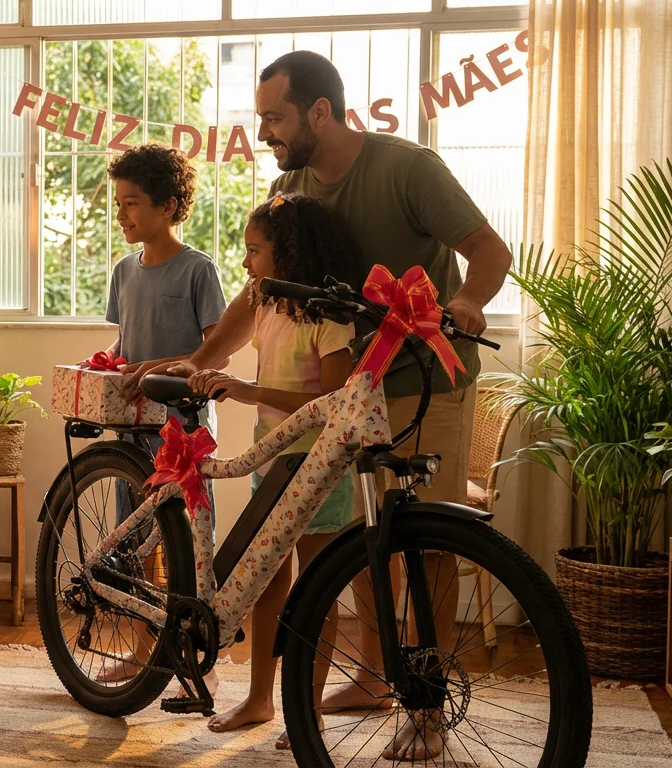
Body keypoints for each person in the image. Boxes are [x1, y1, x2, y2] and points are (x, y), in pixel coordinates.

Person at [160, 50, 514, 760]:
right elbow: (262, 290)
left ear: (319, 111)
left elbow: (488, 249)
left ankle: (426, 706)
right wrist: (201, 360)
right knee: (363, 552)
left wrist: (469, 299)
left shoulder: (407, 168)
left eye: (274, 117)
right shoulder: (292, 183)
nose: (265, 132)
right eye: (261, 118)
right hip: (339, 400)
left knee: (420, 549)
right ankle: (373, 684)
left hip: (421, 388)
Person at [194, 193, 366, 749]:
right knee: (267, 581)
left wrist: (247, 391)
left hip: (321, 467)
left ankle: (308, 711)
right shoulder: (268, 304)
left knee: (316, 589)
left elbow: (336, 400)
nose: (246, 263)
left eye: (254, 251)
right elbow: (222, 346)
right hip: (273, 460)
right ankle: (261, 698)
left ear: (287, 253)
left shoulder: (329, 316)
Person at [98, 143, 228, 684]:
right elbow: (123, 349)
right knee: (136, 541)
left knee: (190, 542)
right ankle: (146, 649)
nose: (122, 214)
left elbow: (217, 352)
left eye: (132, 203)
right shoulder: (124, 272)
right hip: (135, 429)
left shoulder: (199, 270)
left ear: (170, 206)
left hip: (184, 432)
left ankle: (199, 650)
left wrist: (156, 366)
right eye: (119, 202)